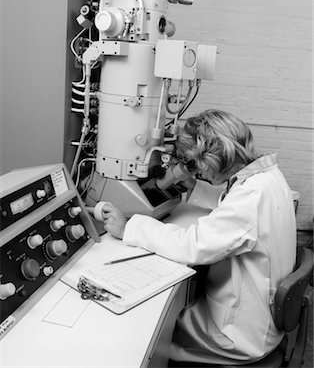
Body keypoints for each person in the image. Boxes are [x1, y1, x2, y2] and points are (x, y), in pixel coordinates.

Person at [99, 109, 297, 366]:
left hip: (238, 334)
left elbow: (192, 246)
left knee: (154, 334)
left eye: (196, 163)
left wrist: (128, 228)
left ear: (215, 156)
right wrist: (194, 187)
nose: (196, 171)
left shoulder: (250, 199)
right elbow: (233, 209)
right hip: (261, 316)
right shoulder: (267, 176)